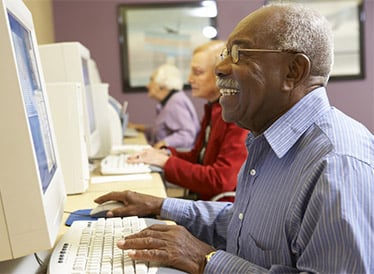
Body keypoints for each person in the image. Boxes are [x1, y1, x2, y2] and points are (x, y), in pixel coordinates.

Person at [95, 3, 374, 274]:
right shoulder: (265, 138)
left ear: (293, 71)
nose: (220, 68)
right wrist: (161, 205)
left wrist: (205, 260)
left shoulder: (336, 166)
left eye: (239, 53)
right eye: (225, 54)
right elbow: (243, 224)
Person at [127, 40, 249, 201]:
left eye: (197, 72)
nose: (189, 79)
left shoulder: (237, 117)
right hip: (204, 200)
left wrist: (165, 162)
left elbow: (221, 180)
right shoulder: (213, 109)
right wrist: (167, 154)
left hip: (220, 208)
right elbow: (199, 158)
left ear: (222, 73)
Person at [129, 64, 200, 150]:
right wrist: (138, 127)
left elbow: (187, 135)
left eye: (151, 80)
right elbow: (162, 130)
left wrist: (163, 143)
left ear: (162, 85)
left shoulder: (176, 102)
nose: (147, 86)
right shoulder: (168, 102)